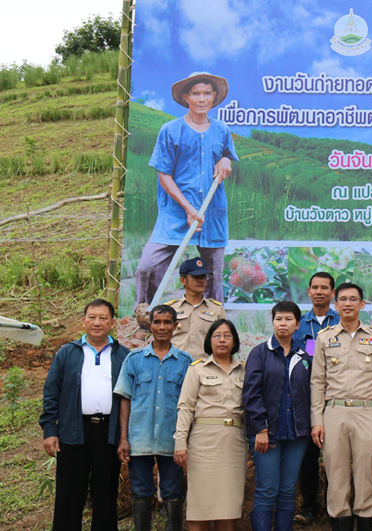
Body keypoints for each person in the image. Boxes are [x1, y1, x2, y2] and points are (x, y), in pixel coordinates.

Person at [134, 72, 238, 312]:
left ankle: (213, 323)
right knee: (146, 268)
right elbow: (164, 174)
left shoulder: (222, 129)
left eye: (206, 93)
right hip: (176, 212)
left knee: (213, 274)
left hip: (211, 212)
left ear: (213, 97)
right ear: (186, 97)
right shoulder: (170, 130)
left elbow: (227, 157)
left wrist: (225, 160)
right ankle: (146, 316)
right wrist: (188, 209)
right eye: (196, 93)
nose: (202, 99)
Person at [39, 299, 129, 531]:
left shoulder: (123, 355)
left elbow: (131, 398)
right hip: (73, 431)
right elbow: (51, 394)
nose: (97, 322)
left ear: (112, 323)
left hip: (109, 433)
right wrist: (50, 431)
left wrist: (124, 437)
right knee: (69, 495)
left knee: (105, 496)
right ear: (83, 321)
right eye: (92, 317)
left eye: (103, 318)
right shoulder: (68, 353)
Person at [310, 283, 372, 531]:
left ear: (362, 304)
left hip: (368, 411)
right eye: (343, 299)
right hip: (334, 412)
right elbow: (317, 382)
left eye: (353, 299)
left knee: (366, 474)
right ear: (335, 305)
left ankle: (366, 519)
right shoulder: (323, 338)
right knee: (336, 475)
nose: (348, 303)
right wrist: (317, 419)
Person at [114, 304, 192, 531]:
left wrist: (185, 440)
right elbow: (125, 398)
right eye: (157, 322)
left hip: (172, 438)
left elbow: (189, 404)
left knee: (172, 491)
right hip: (140, 438)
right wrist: (123, 438)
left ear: (175, 326)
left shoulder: (185, 362)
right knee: (141, 491)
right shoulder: (134, 359)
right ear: (149, 325)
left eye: (168, 322)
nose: (162, 327)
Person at [243, 302, 312, 531]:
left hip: (297, 434)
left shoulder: (305, 355)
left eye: (288, 319)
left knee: (288, 489)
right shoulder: (259, 353)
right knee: (267, 489)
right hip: (266, 433)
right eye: (278, 319)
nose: (283, 323)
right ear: (272, 322)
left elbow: (312, 392)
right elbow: (251, 394)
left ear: (297, 324)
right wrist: (260, 429)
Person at [174, 320, 247, 530]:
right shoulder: (197, 370)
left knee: (229, 504)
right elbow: (186, 407)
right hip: (204, 442)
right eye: (216, 336)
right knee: (201, 504)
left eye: (227, 336)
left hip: (234, 443)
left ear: (234, 342)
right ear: (209, 341)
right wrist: (180, 442)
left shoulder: (244, 371)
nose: (222, 340)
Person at [291, 272, 339, 525]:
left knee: (335, 457)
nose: (319, 291)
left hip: (335, 400)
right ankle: (309, 507)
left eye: (325, 288)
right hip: (306, 401)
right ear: (308, 291)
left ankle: (335, 507)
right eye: (315, 287)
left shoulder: (343, 320)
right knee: (308, 459)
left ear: (333, 293)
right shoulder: (299, 324)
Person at [164, 257, 226, 360]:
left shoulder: (217, 310)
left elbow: (222, 342)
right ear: (183, 280)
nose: (201, 280)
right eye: (196, 277)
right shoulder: (170, 309)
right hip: (175, 367)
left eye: (204, 277)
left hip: (204, 369)